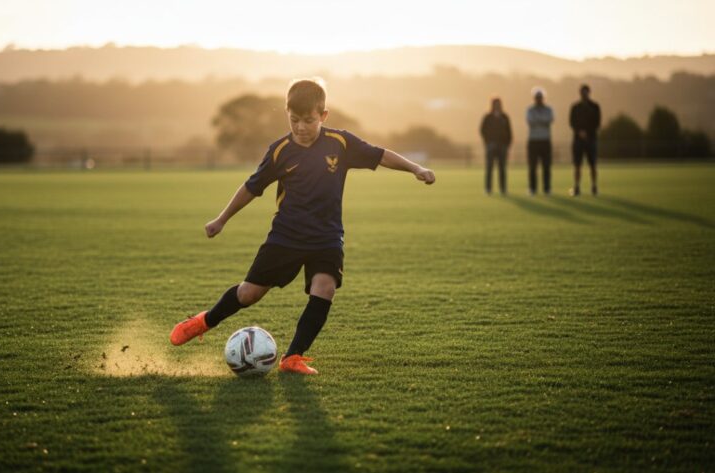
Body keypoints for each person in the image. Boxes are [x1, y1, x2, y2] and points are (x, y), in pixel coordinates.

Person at [169, 78, 436, 375]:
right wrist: (221, 219)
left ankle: (292, 357)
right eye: (294, 120)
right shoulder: (280, 151)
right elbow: (251, 187)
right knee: (249, 294)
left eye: (308, 120)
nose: (300, 127)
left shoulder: (341, 142)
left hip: (327, 237)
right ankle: (203, 321)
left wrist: (416, 168)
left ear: (323, 115)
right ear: (287, 114)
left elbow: (380, 154)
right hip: (286, 236)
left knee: (325, 289)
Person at [569, 84, 601, 196]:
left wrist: (588, 132)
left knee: (593, 165)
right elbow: (572, 122)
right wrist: (579, 132)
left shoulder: (595, 106)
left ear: (589, 93)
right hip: (578, 140)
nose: (584, 95)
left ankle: (594, 186)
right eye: (582, 92)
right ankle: (576, 187)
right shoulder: (575, 107)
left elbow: (597, 123)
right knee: (577, 165)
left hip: (591, 139)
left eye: (586, 92)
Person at [480, 97, 512, 195]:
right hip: (491, 145)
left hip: (502, 146)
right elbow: (482, 130)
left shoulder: (504, 117)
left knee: (502, 168)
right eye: (495, 104)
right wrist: (488, 142)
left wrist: (507, 144)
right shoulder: (488, 117)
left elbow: (509, 132)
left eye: (498, 104)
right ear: (492, 105)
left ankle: (503, 189)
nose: (497, 106)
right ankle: (488, 189)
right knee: (489, 168)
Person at [526, 87, 554, 195]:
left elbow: (549, 120)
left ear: (543, 98)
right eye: (537, 97)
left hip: (545, 140)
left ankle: (547, 188)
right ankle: (532, 188)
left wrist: (538, 120)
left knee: (546, 166)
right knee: (532, 166)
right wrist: (542, 120)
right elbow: (530, 121)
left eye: (540, 97)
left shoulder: (549, 109)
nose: (538, 99)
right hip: (533, 141)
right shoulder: (530, 110)